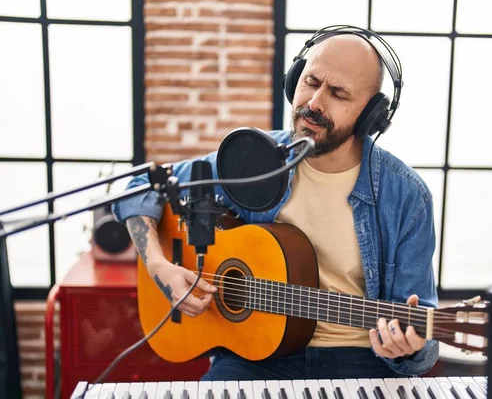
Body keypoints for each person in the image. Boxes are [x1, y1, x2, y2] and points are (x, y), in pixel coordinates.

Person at [112, 26, 439, 380]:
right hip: (254, 356)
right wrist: (160, 266)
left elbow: (421, 331)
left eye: (338, 94)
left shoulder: (406, 196)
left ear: (371, 115)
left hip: (360, 362)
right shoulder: (252, 159)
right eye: (311, 81)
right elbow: (142, 184)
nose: (314, 103)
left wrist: (410, 346)